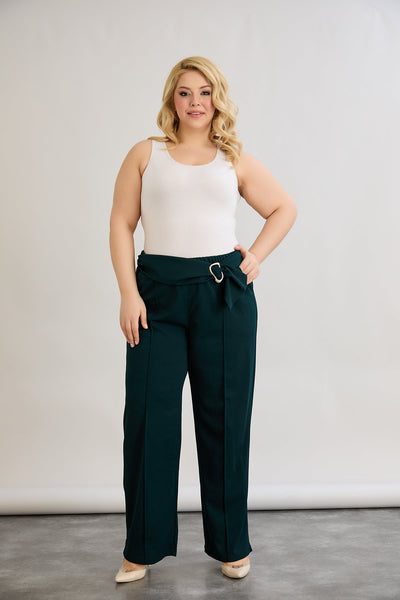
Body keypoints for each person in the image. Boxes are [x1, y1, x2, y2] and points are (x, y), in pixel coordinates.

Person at [109, 56, 297, 583]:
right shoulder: (145, 154)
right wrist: (128, 293)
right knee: (149, 419)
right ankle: (140, 548)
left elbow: (283, 209)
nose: (196, 102)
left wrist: (254, 257)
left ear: (218, 100)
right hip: (156, 299)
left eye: (205, 92)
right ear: (172, 99)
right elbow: (121, 224)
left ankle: (232, 544)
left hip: (222, 298)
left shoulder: (233, 159)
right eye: (185, 92)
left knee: (226, 420)